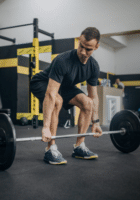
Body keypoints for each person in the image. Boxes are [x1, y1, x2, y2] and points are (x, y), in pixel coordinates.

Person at [30, 27, 103, 165]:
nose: (82, 51)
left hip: (65, 86)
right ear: (79, 40)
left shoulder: (93, 66)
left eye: (88, 49)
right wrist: (45, 127)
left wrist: (96, 122)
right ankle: (51, 149)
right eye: (81, 45)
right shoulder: (63, 60)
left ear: (96, 47)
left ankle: (79, 147)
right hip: (42, 82)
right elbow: (51, 94)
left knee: (88, 103)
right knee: (57, 101)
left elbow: (93, 96)